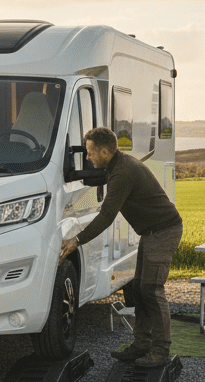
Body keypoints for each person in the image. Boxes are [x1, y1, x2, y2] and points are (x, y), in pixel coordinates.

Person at [58, 126, 183, 368]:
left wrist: (77, 240)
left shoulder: (122, 172)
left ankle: (160, 351)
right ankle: (141, 344)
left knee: (151, 290)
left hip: (164, 230)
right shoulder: (115, 165)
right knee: (139, 287)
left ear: (105, 151)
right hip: (152, 231)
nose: (88, 157)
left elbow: (106, 216)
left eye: (91, 152)